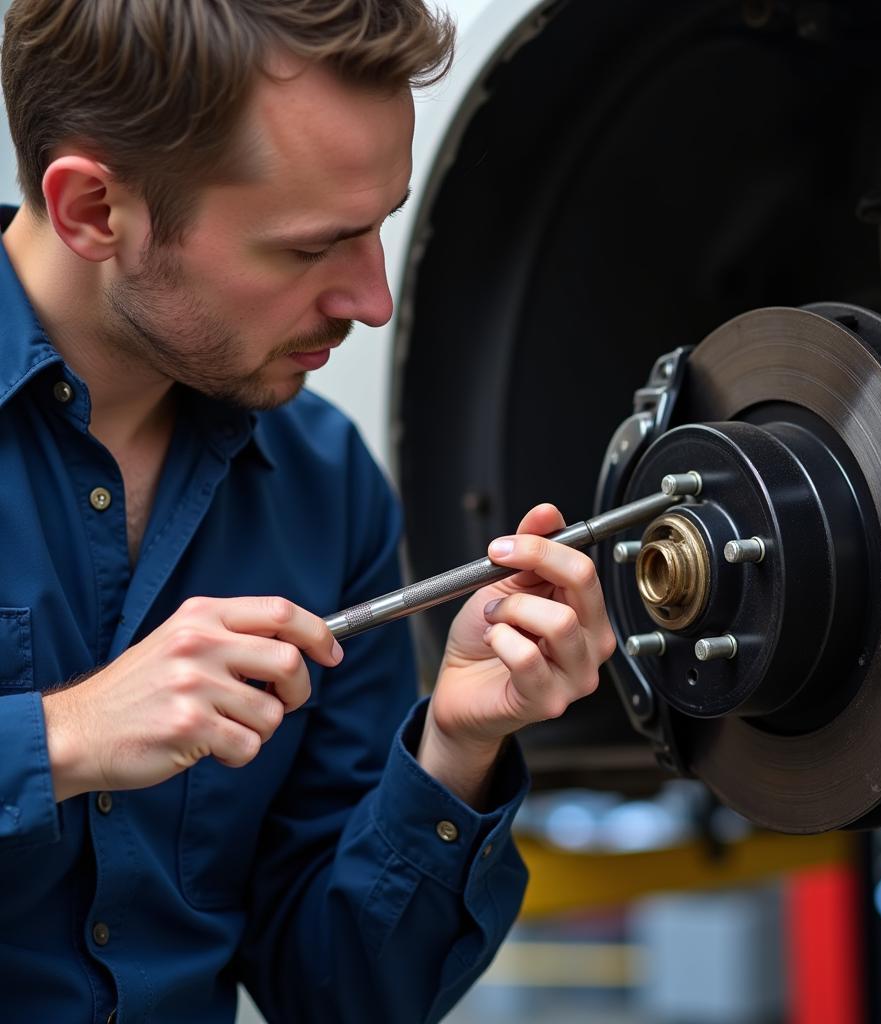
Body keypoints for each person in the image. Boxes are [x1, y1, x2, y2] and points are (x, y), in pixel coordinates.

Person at [0, 2, 616, 1022]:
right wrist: (63, 739)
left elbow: (337, 992)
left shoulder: (323, 485)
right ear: (95, 211)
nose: (372, 298)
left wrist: (453, 752)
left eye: (378, 226)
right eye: (307, 249)